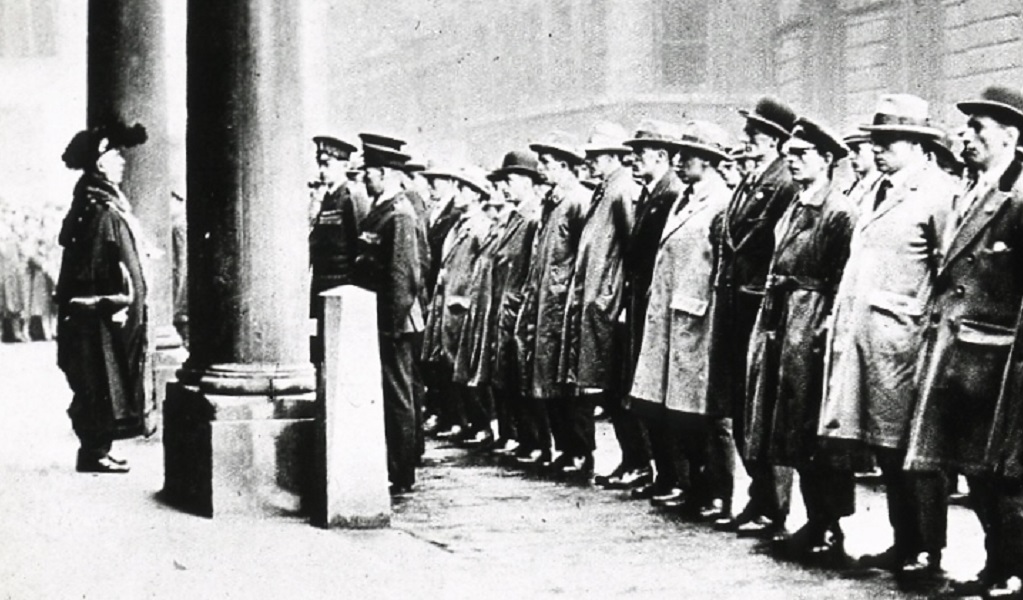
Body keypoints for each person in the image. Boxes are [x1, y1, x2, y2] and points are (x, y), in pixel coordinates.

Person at [819, 94, 955, 577]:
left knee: (916, 450)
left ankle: (927, 549)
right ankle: (904, 542)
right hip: (869, 337)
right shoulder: (876, 189)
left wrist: (929, 330)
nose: (877, 150)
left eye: (890, 142)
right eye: (875, 141)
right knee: (884, 446)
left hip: (907, 340)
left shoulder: (940, 194)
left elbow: (949, 273)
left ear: (920, 146)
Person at [903, 86, 1023, 597]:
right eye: (968, 127)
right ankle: (995, 567)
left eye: (980, 129)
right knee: (972, 472)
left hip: (997, 359)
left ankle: (1013, 571)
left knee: (1003, 477)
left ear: (1011, 137)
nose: (967, 136)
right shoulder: (971, 191)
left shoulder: (1017, 198)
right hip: (956, 352)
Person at [744, 116, 862, 564]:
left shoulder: (838, 212)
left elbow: (839, 280)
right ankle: (815, 521)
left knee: (817, 428)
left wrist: (823, 329)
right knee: (792, 424)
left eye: (802, 155)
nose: (792, 161)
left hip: (813, 326)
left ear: (828, 159)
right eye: (789, 154)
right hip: (785, 321)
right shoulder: (797, 204)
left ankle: (830, 526)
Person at [628, 120, 733, 517]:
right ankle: (695, 488)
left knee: (706, 414)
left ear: (707, 161)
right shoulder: (683, 199)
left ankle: (718, 493)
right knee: (678, 411)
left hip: (699, 318)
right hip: (672, 315)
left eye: (687, 155)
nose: (679, 160)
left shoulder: (720, 201)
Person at [711, 97, 799, 537]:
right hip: (736, 304)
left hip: (758, 306)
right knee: (742, 409)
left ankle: (774, 506)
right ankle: (758, 496)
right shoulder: (752, 182)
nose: (748, 143)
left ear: (777, 141)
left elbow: (772, 246)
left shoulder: (783, 183)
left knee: (764, 410)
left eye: (756, 136)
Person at [56, 119, 150, 473]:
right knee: (98, 379)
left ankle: (97, 449)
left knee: (100, 378)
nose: (123, 162)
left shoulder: (98, 201)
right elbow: (95, 265)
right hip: (97, 314)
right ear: (99, 163)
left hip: (98, 312)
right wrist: (115, 301)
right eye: (116, 156)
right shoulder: (98, 208)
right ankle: (95, 452)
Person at [558, 122, 648, 489]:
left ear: (613, 157)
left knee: (616, 387)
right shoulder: (605, 190)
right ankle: (631, 460)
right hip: (599, 303)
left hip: (610, 306)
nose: (591, 163)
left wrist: (620, 298)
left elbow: (633, 249)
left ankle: (638, 461)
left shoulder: (622, 190)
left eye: (596, 157)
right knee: (606, 387)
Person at [353, 134, 430, 496]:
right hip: (382, 318)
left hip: (393, 321)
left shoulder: (399, 214)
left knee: (398, 395)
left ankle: (402, 471)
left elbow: (404, 274)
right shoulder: (382, 209)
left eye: (369, 171)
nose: (364, 177)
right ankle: (396, 464)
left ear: (383, 173)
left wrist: (393, 325)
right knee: (393, 393)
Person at [515, 131, 591, 475]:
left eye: (546, 163)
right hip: (544, 303)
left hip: (563, 305)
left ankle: (580, 450)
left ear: (564, 166)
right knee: (546, 377)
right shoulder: (551, 202)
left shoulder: (577, 201)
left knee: (568, 381)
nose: (541, 169)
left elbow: (581, 255)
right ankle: (564, 447)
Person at [622, 119, 687, 502]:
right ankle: (664, 475)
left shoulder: (669, 194)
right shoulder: (651, 193)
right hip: (646, 301)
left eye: (641, 154)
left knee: (660, 394)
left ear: (661, 157)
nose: (633, 160)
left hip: (657, 301)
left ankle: (672, 476)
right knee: (648, 393)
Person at [308, 134, 369, 367]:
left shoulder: (352, 197)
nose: (322, 170)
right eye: (320, 164)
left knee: (340, 355)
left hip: (342, 286)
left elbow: (360, 250)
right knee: (322, 350)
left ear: (344, 165)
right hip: (322, 285)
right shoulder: (327, 198)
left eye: (327, 164)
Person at [842, 130, 883, 214]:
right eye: (849, 151)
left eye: (856, 150)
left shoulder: (882, 189)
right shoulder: (852, 189)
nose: (851, 156)